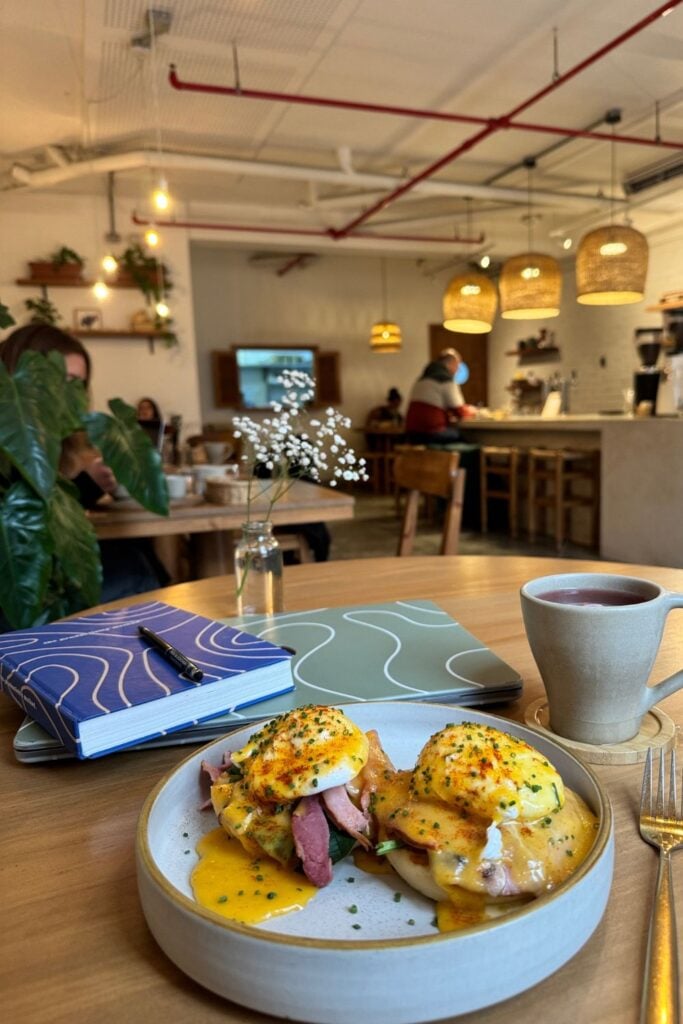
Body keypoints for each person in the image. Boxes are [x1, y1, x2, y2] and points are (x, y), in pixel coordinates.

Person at [0, 324, 169, 601]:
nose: (71, 396)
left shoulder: (62, 438)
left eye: (77, 384)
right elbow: (28, 519)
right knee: (136, 570)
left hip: (48, 572)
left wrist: (92, 481)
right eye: (61, 380)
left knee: (138, 555)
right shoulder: (12, 431)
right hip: (24, 586)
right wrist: (88, 484)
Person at [405, 347, 476, 445]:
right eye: (457, 366)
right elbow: (459, 411)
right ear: (451, 364)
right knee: (469, 439)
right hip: (431, 433)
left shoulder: (421, 380)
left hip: (412, 434)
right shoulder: (445, 380)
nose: (458, 370)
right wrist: (473, 411)